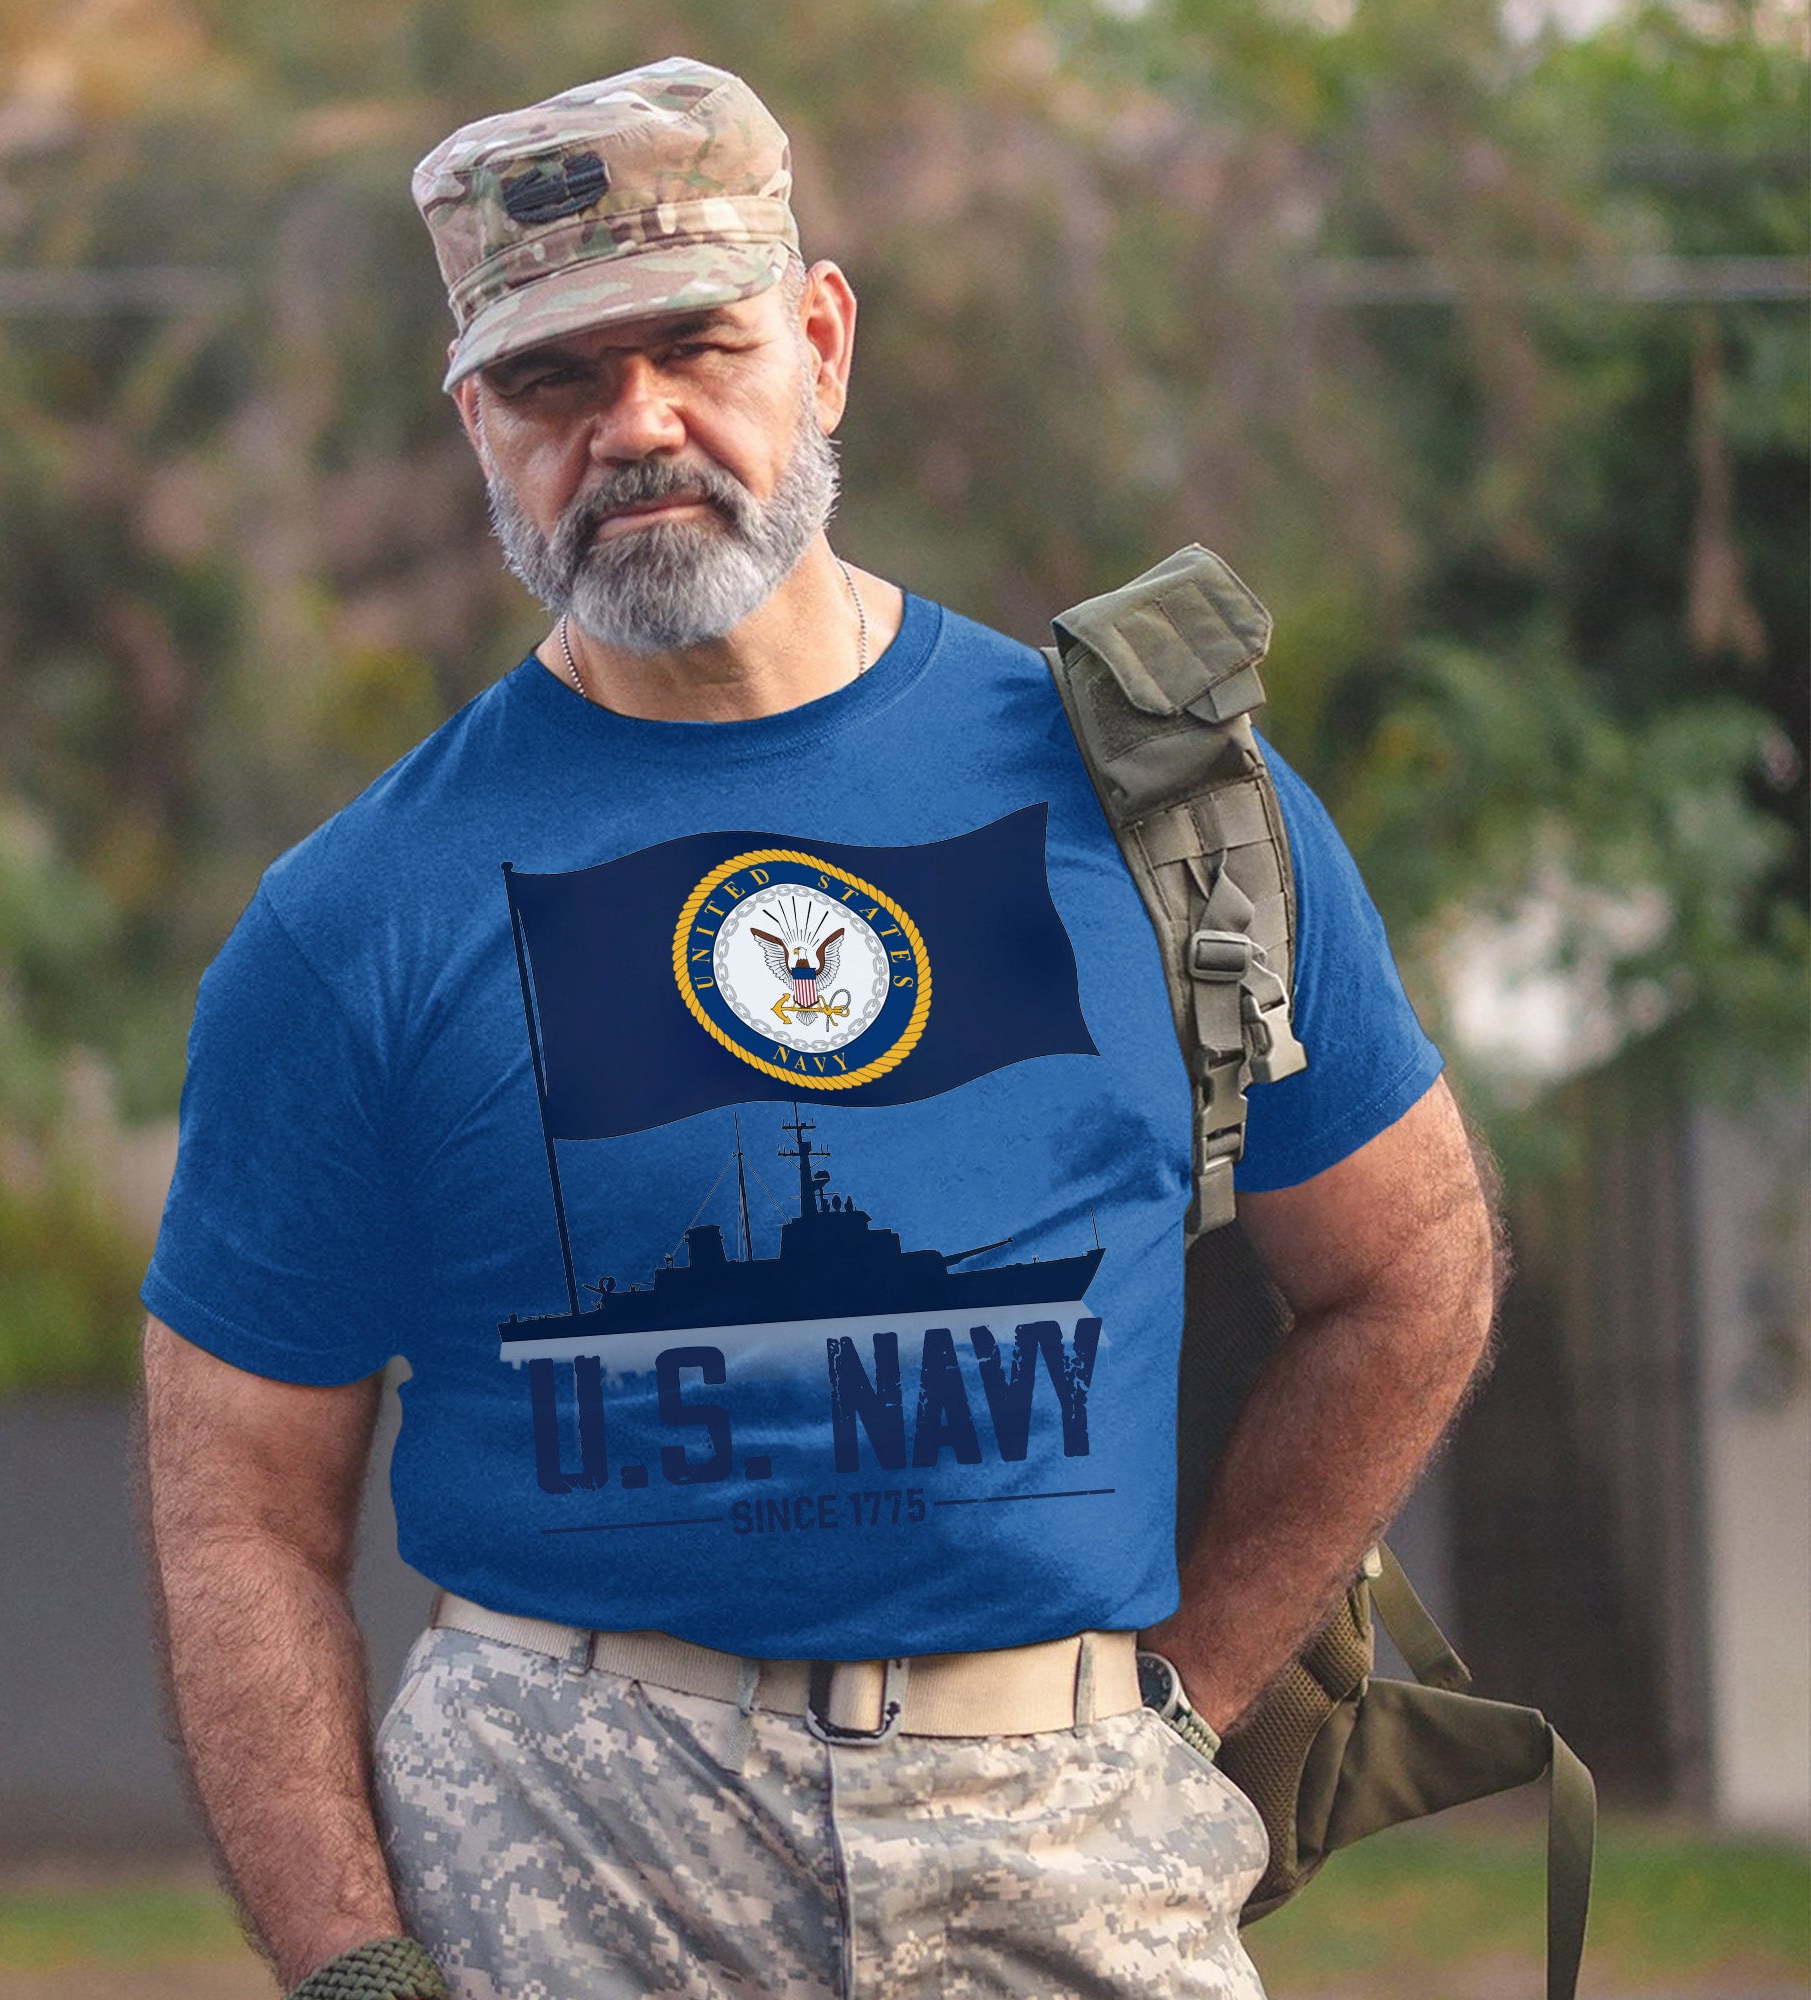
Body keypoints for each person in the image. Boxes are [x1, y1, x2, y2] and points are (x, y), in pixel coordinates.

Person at [137, 56, 1496, 2000]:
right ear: (474, 422)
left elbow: (1410, 1267)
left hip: (1066, 1836)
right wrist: (352, 1960)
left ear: (824, 339)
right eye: (553, 380)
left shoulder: (1163, 815)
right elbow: (240, 1511)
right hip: (562, 1853)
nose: (637, 424)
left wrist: (1177, 1705)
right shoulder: (357, 918)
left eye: (697, 341)